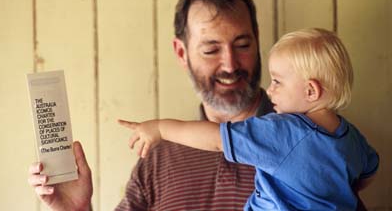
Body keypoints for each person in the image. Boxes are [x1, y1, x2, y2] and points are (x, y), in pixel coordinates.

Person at [28, 0, 274, 210]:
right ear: (181, 53)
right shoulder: (158, 157)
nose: (230, 65)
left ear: (257, 39)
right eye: (211, 50)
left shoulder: (303, 137)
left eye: (242, 45)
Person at [120, 28, 379, 210]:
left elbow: (217, 139)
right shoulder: (352, 137)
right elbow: (367, 174)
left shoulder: (283, 132)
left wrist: (161, 128)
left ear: (311, 91)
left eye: (277, 81)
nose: (271, 88)